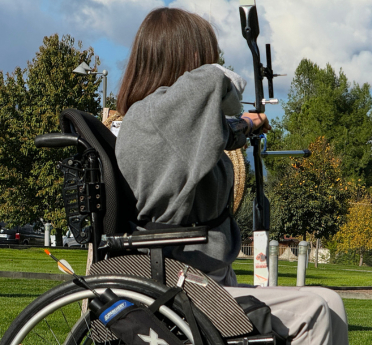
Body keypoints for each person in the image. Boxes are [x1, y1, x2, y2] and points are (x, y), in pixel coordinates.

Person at [115, 7, 348, 345]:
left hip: (204, 277)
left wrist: (247, 124)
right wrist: (213, 70)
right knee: (313, 310)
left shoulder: (168, 123)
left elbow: (221, 131)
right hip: (180, 282)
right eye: (207, 54)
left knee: (332, 301)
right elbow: (211, 83)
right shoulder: (154, 116)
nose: (214, 60)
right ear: (190, 57)